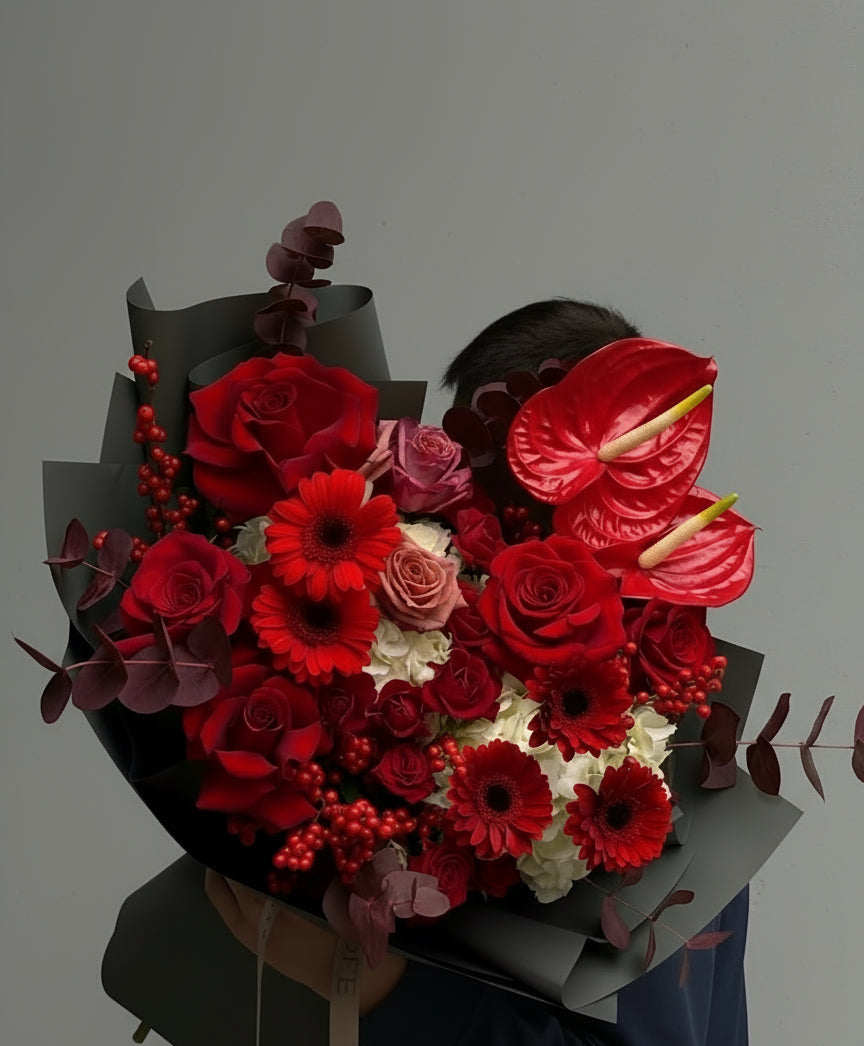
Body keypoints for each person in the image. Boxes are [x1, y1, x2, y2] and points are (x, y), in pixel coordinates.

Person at [207, 298, 750, 1045]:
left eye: (492, 481)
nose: (462, 515)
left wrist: (378, 992)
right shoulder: (451, 676)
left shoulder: (659, 779)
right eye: (454, 457)